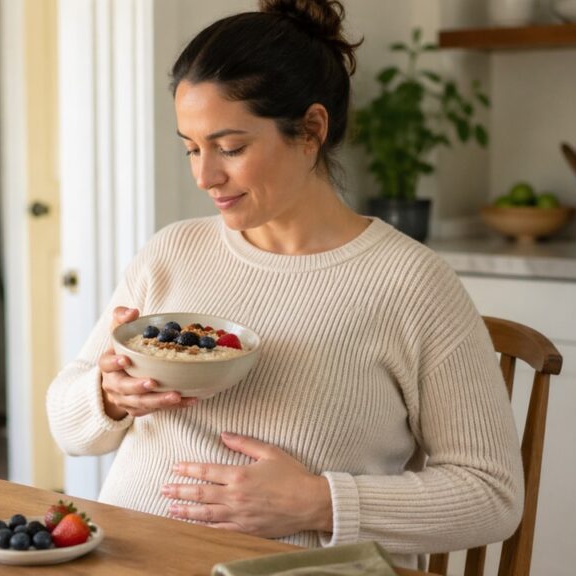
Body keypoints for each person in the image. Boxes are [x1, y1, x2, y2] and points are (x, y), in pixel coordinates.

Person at [47, 0, 523, 570]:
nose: (205, 176)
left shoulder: (411, 284)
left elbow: (492, 495)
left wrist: (315, 502)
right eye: (192, 149)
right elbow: (68, 426)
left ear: (311, 130)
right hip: (131, 557)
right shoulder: (172, 251)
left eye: (231, 147)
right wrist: (108, 397)